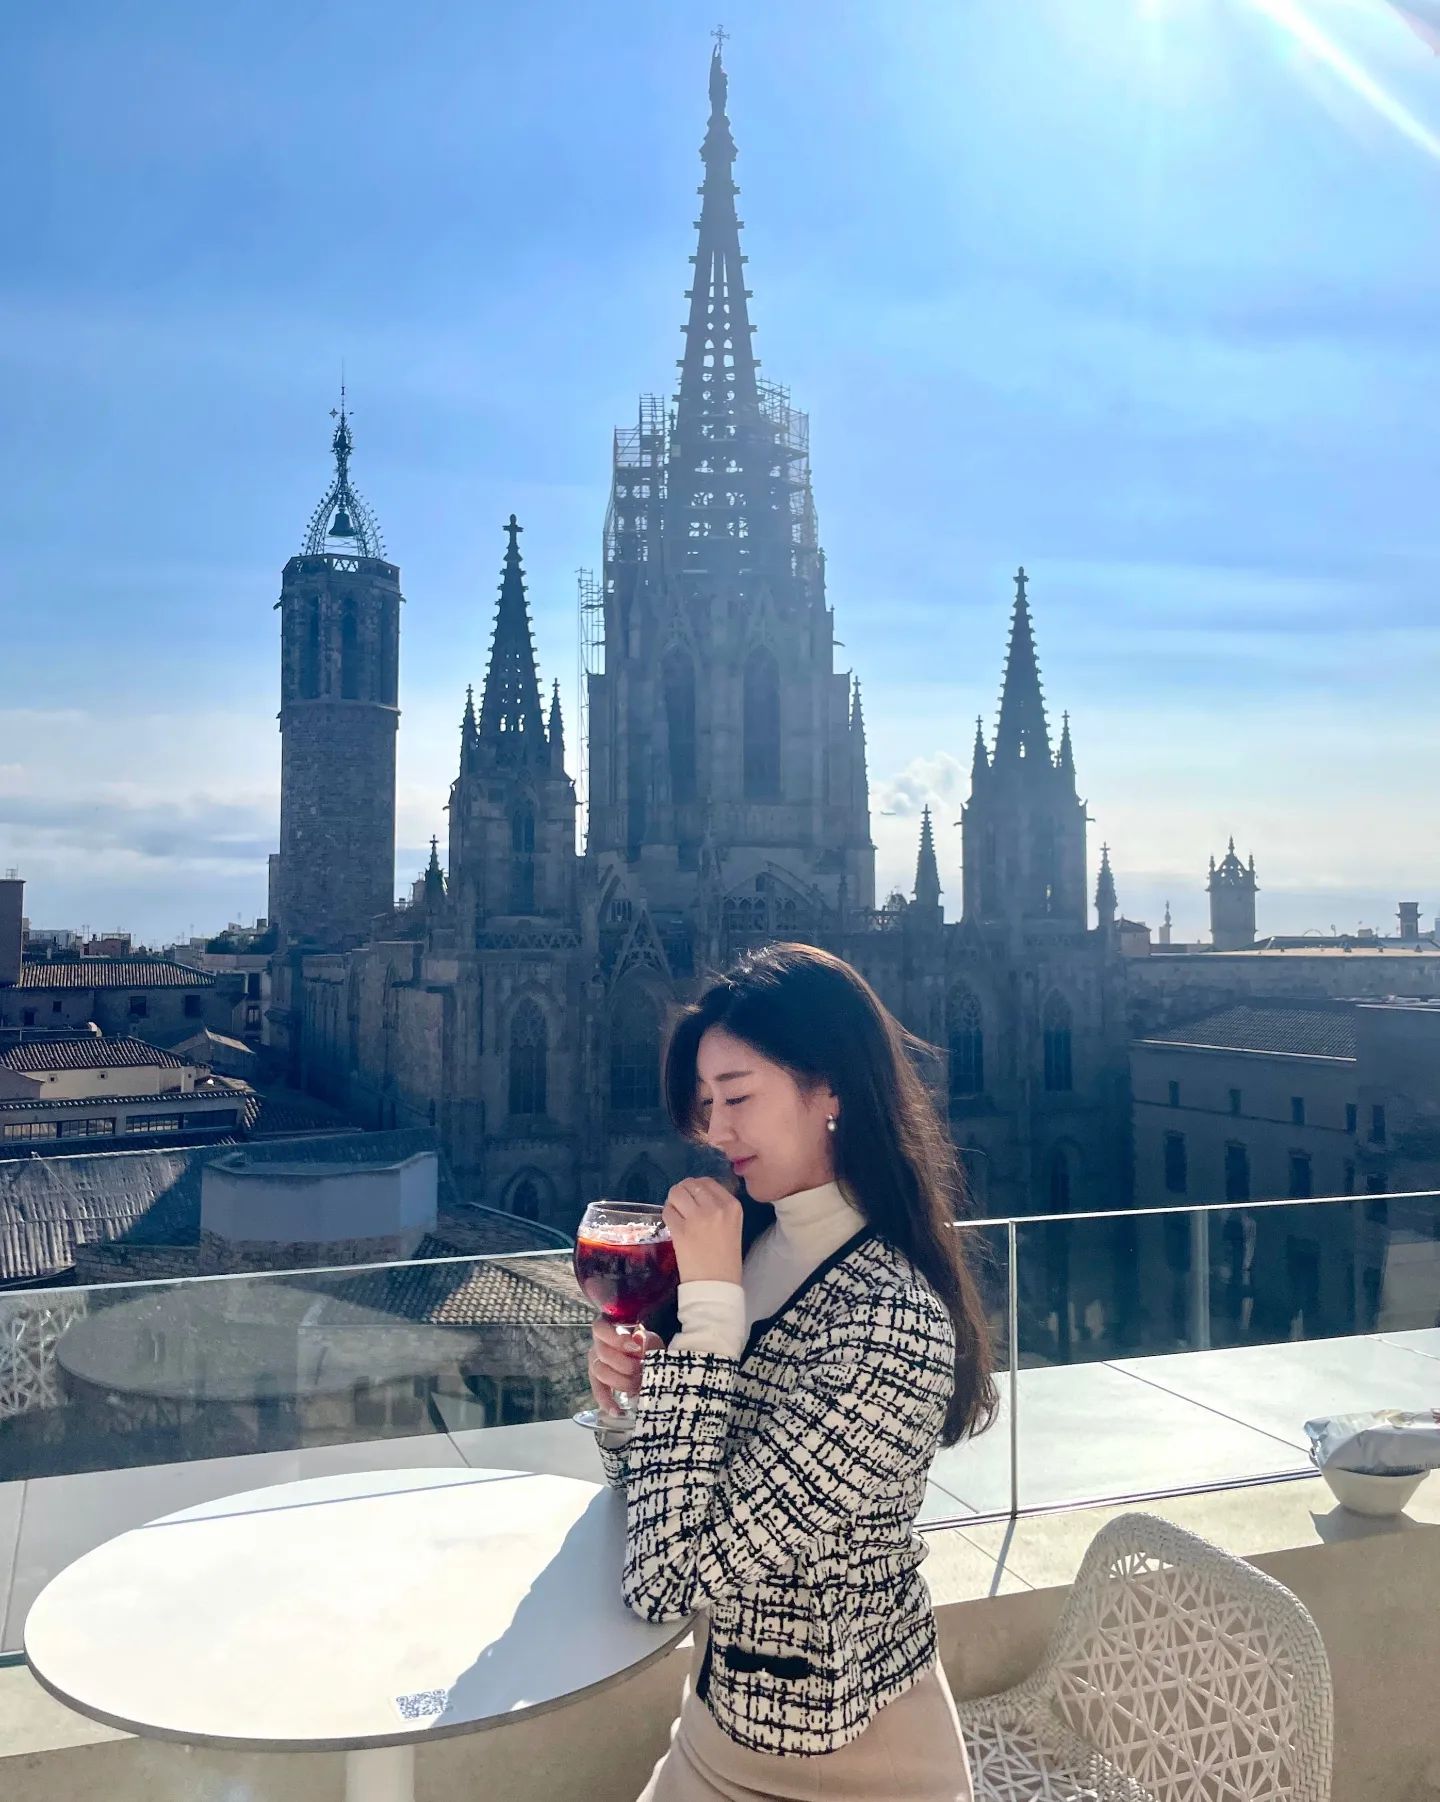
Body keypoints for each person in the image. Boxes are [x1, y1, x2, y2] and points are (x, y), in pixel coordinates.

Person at [587, 943, 998, 1801]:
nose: (714, 1131)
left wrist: (707, 1312)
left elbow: (664, 1580)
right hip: (715, 1724)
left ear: (832, 1089)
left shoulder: (891, 1322)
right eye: (706, 1103)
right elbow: (668, 1504)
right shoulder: (755, 1246)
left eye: (738, 1097)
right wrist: (629, 1408)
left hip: (853, 1761)